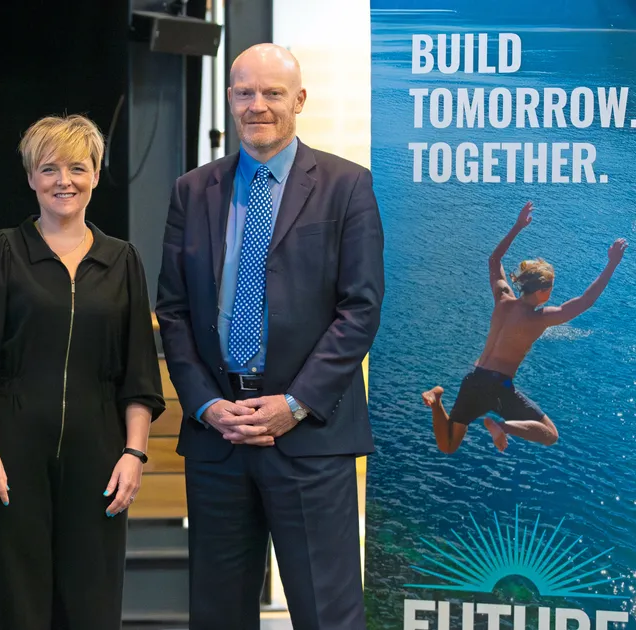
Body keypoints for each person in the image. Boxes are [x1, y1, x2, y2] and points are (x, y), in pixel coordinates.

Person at [155, 43, 385, 630]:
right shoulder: (192, 190)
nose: (258, 105)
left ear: (299, 100)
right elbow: (174, 311)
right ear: (230, 100)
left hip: (308, 436)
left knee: (326, 614)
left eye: (272, 93)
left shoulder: (346, 186)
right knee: (218, 614)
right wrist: (206, 405)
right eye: (245, 92)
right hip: (219, 436)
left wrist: (294, 404)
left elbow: (359, 310)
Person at [0, 114, 165, 630]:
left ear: (95, 173)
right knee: (9, 605)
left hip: (99, 459)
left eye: (77, 168)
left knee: (89, 606)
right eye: (49, 169)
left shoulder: (122, 260)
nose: (63, 180)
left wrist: (134, 453)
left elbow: (138, 370)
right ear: (30, 178)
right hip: (7, 455)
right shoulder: (1, 251)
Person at [422, 201, 628, 454]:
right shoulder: (539, 318)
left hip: (474, 378)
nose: (552, 292)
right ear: (542, 291)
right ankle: (502, 426)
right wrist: (612, 264)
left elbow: (494, 259)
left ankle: (436, 398)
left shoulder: (502, 297)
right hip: (497, 386)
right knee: (550, 434)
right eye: (551, 287)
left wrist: (518, 226)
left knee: (448, 445)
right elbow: (586, 301)